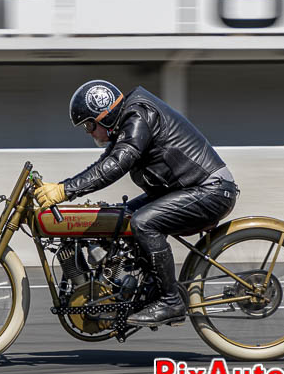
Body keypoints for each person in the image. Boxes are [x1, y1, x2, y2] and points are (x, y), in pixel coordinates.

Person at [34, 80, 238, 327]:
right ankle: (139, 289)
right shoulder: (128, 120)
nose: (89, 132)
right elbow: (105, 162)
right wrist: (64, 186)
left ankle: (170, 301)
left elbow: (118, 163)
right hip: (184, 189)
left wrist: (65, 190)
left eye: (89, 124)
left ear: (104, 113)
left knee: (142, 223)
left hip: (209, 190)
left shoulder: (139, 115)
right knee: (119, 216)